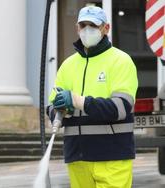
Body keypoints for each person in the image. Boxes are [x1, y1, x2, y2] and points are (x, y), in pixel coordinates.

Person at [47, 6, 138, 188]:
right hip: (78, 157)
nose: (88, 30)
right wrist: (60, 108)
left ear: (106, 28)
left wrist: (79, 101)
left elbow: (120, 108)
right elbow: (51, 109)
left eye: (94, 26)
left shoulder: (121, 61)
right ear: (77, 28)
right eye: (83, 25)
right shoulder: (68, 65)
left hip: (113, 156)